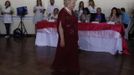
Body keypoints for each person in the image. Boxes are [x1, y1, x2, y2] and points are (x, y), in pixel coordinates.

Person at [51, 0, 80, 73]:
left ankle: (71, 66)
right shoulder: (62, 12)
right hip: (66, 37)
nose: (74, 5)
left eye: (74, 3)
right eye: (73, 3)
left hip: (72, 37)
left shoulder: (72, 11)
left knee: (72, 53)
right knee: (63, 53)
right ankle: (62, 67)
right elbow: (60, 27)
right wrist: (62, 39)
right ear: (68, 3)